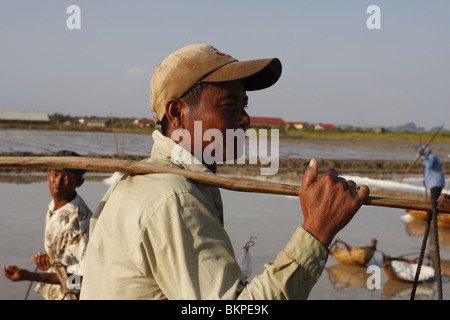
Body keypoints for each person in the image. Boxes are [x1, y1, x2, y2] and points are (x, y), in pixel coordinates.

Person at [80, 44, 369, 300]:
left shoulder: (147, 182)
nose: (245, 119)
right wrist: (317, 231)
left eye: (244, 104)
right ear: (176, 113)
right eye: (228, 105)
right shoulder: (173, 198)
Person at [2, 150, 93, 300]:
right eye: (55, 174)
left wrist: (32, 276)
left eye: (66, 177)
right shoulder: (55, 206)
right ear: (47, 174)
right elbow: (68, 258)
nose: (58, 182)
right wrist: (51, 262)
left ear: (79, 182)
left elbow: (79, 279)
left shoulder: (77, 221)